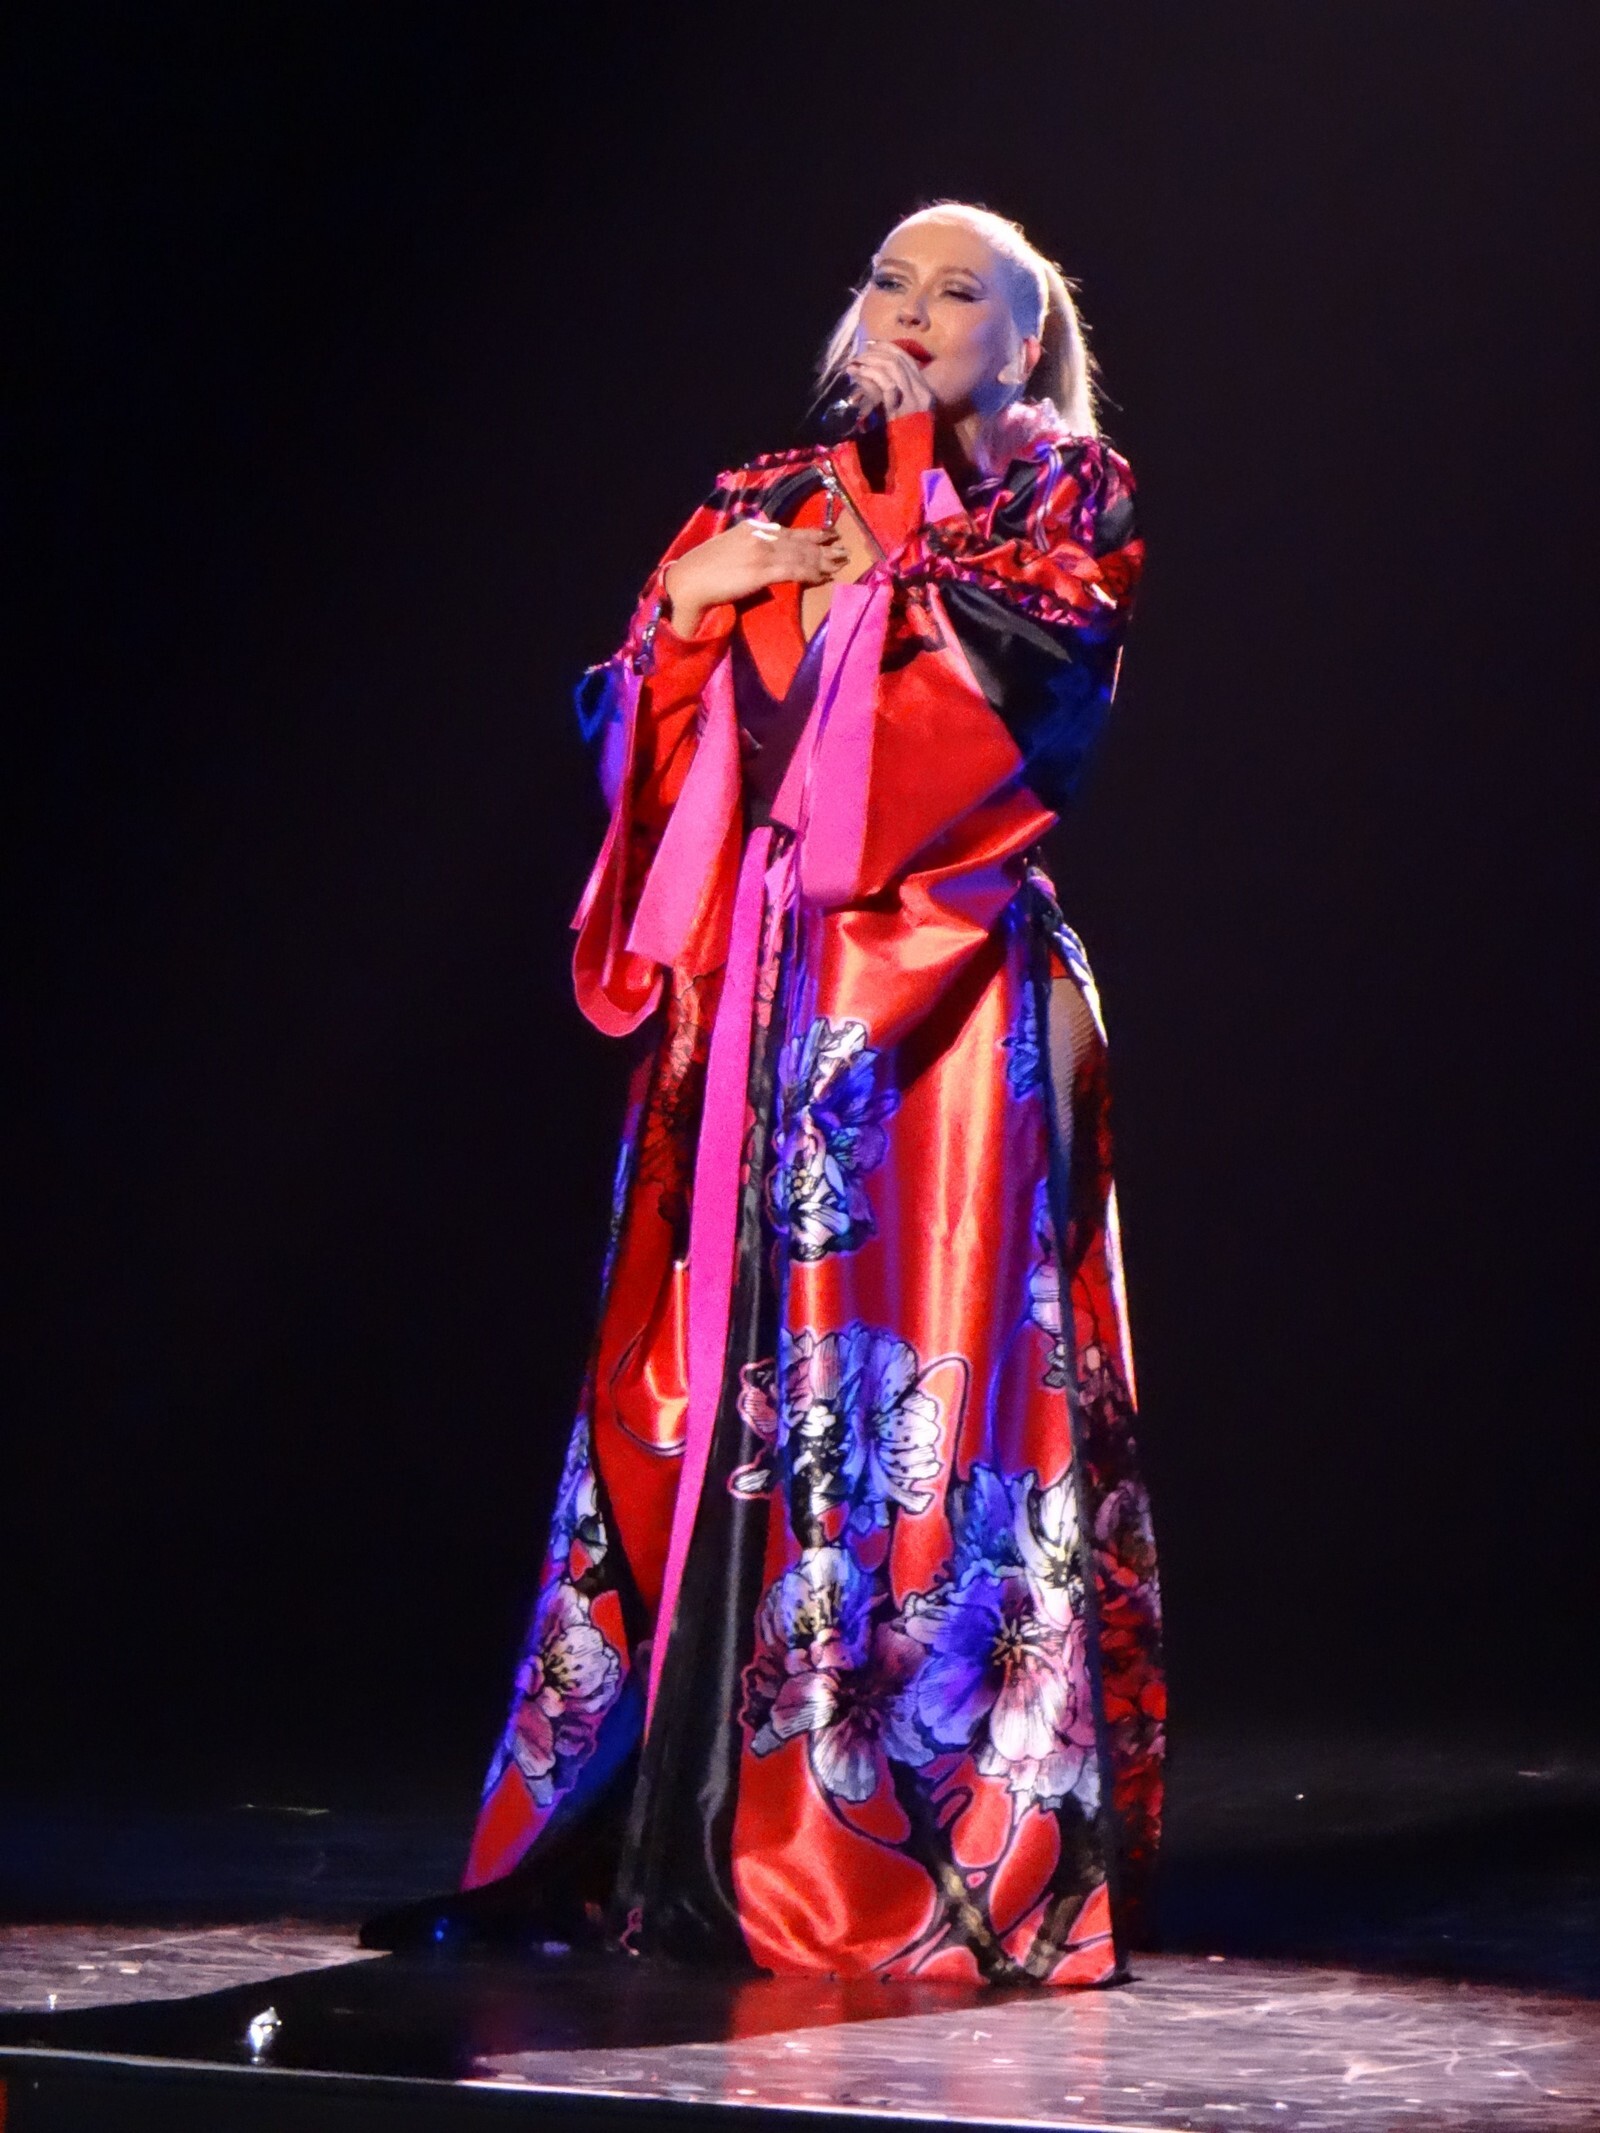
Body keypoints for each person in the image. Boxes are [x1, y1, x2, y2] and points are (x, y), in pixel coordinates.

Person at [373, 202, 1164, 1987]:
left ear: (1027, 339)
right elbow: (646, 731)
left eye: (960, 290)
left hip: (948, 1006)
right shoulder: (765, 492)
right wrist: (685, 613)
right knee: (720, 1386)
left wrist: (830, 578)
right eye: (890, 277)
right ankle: (676, 1826)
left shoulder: (1069, 498)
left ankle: (905, 1841)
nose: (913, 307)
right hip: (763, 999)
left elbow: (1017, 711)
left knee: (931, 1406)